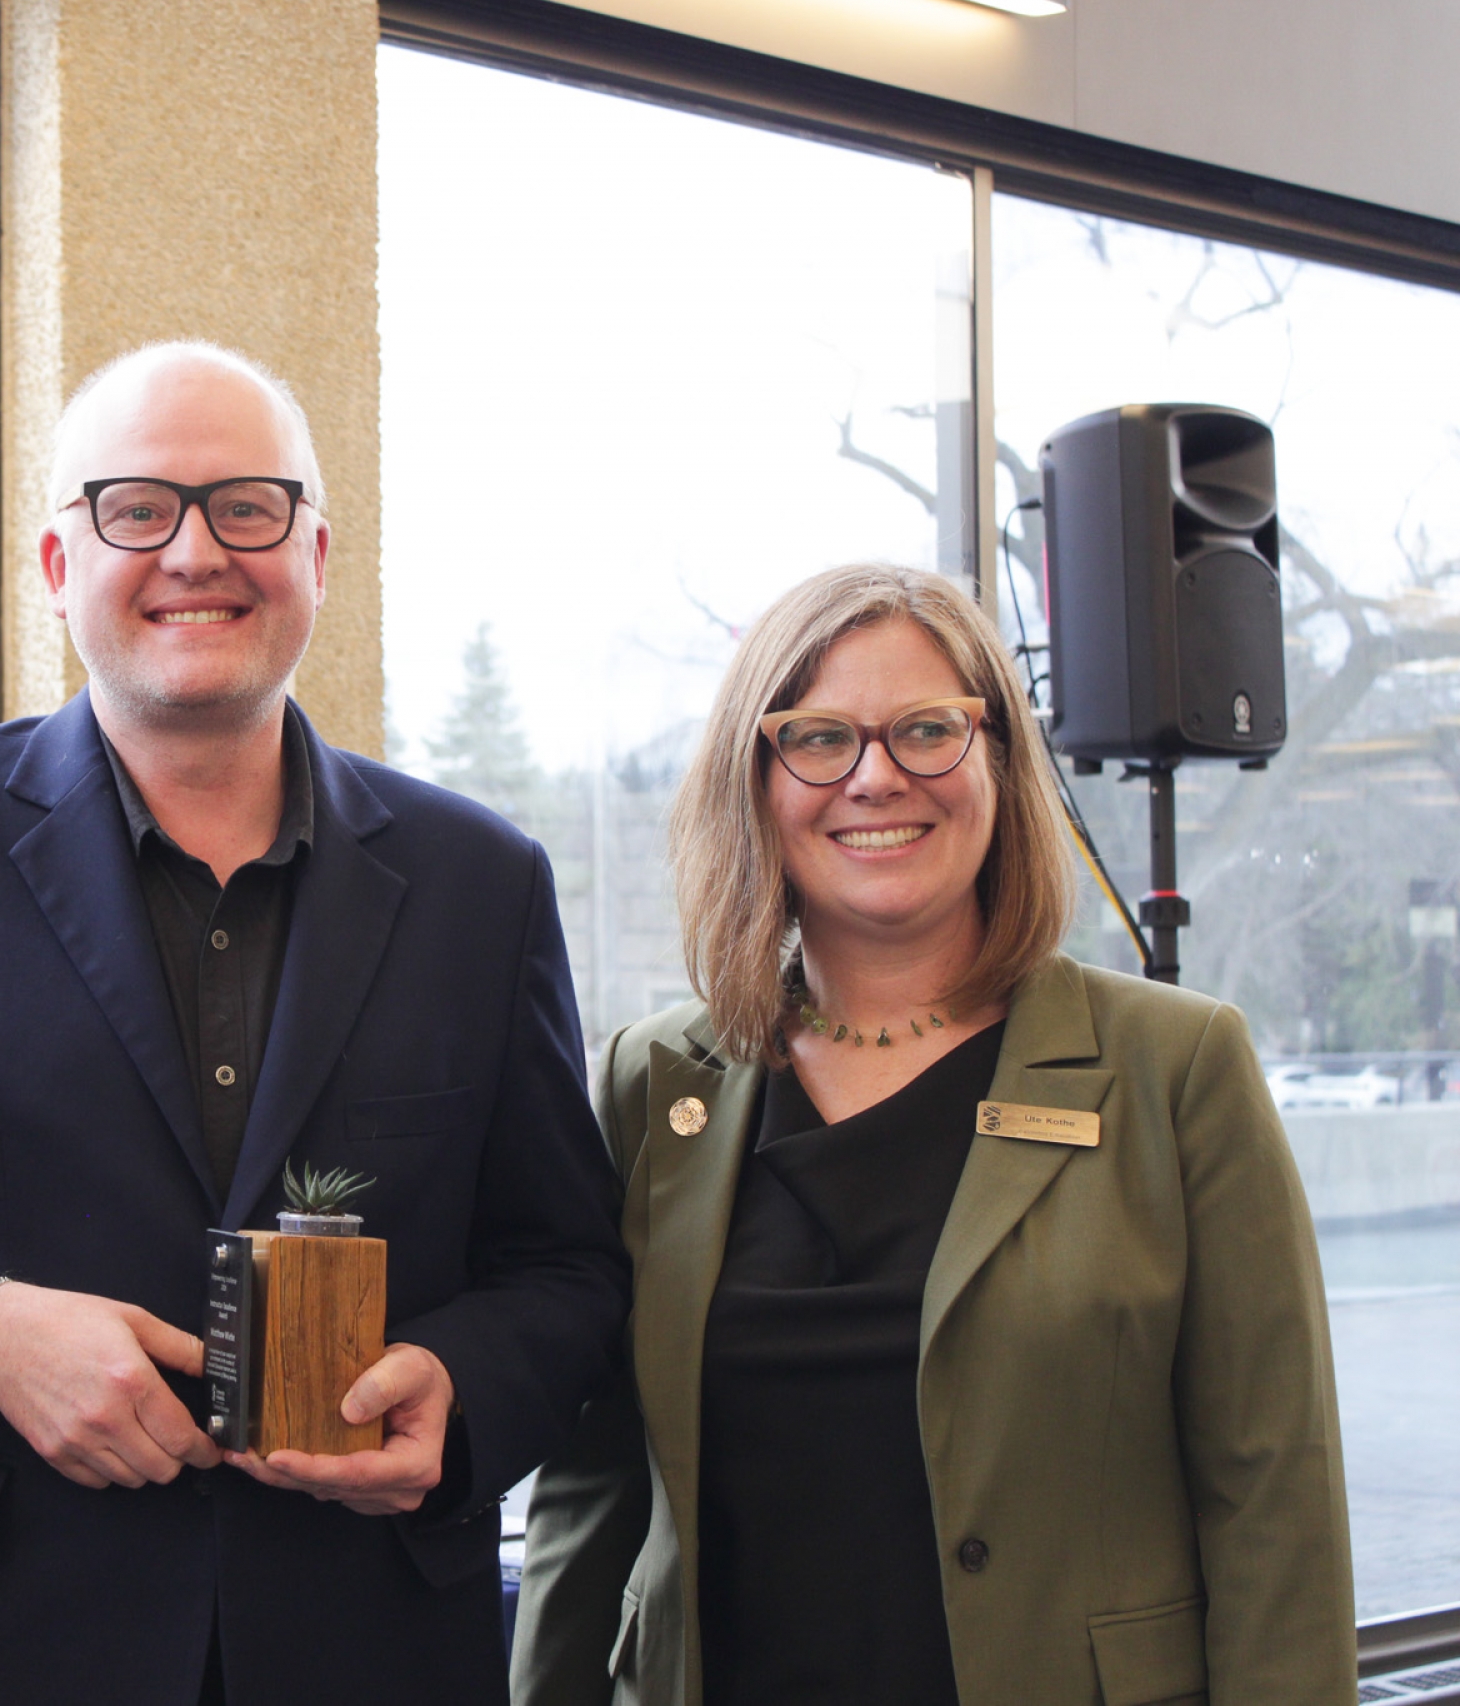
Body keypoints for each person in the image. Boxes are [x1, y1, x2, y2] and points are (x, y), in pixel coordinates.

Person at [0, 342, 628, 1706]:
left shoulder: (480, 881)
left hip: (360, 1647)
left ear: (317, 550)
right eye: (136, 507)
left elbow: (566, 1270)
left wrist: (458, 1386)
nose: (196, 550)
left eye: (246, 506)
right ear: (57, 561)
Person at [510, 564, 1354, 1706]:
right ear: (753, 781)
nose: (875, 777)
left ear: (998, 760)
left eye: (927, 730)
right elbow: (594, 1485)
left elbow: (1273, 1498)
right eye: (816, 738)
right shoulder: (649, 1084)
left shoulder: (1174, 1068)